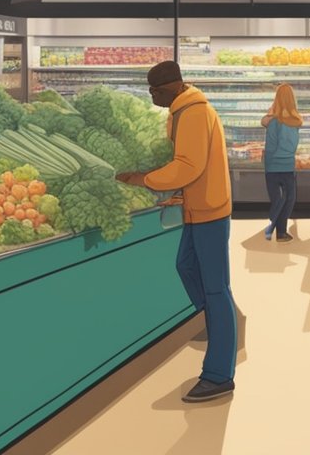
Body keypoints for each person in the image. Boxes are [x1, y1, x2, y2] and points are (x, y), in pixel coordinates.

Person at [116, 61, 237, 403]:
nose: (152, 96)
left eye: (153, 91)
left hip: (210, 211)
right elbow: (200, 164)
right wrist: (182, 194)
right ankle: (220, 321)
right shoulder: (183, 109)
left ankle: (218, 375)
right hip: (197, 205)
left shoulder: (193, 113)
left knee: (216, 289)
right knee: (185, 266)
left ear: (168, 87)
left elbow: (188, 165)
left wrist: (143, 178)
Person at [261, 84, 302, 242]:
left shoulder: (273, 122)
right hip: (287, 165)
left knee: (277, 199)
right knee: (289, 197)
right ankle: (281, 232)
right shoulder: (296, 121)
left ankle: (275, 225)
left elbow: (271, 144)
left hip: (272, 166)